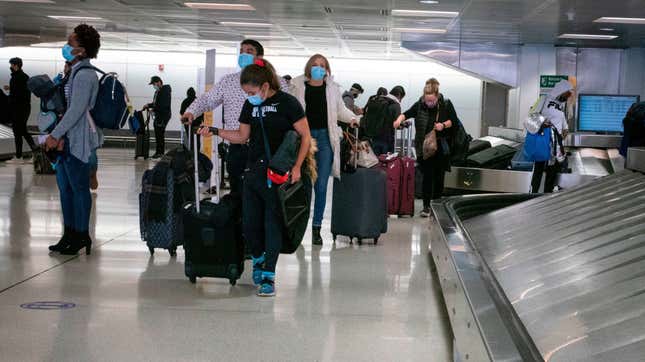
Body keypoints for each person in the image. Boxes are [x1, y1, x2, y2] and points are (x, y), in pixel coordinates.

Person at [197, 59, 312, 297]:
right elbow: (241, 136)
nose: (248, 96)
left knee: (271, 224)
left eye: (251, 92)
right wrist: (216, 131)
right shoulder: (250, 106)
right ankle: (258, 259)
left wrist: (298, 167)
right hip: (253, 171)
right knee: (250, 224)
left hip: (278, 173)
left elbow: (305, 136)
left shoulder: (288, 103)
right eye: (246, 92)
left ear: (265, 86)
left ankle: (268, 275)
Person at [183, 39, 288, 198]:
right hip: (237, 147)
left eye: (249, 51)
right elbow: (208, 99)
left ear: (259, 57)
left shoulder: (277, 82)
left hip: (266, 149)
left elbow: (288, 111)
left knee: (265, 196)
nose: (243, 54)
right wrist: (191, 111)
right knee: (237, 194)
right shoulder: (229, 81)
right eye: (241, 51)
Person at [288, 54, 359, 245]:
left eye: (322, 65)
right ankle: (300, 225)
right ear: (309, 67)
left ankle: (316, 228)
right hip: (305, 139)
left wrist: (353, 118)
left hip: (326, 138)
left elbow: (340, 110)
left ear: (327, 70)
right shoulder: (297, 87)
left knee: (321, 186)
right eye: (315, 65)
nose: (318, 68)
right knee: (305, 186)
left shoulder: (332, 89)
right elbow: (290, 110)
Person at [45, 24, 101, 255]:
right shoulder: (72, 72)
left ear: (83, 51)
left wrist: (56, 134)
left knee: (79, 189)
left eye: (71, 44)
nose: (67, 47)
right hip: (66, 139)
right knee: (65, 189)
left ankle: (81, 235)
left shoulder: (86, 75)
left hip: (78, 141)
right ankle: (68, 234)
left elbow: (77, 109)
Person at [394, 78, 456, 217]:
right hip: (424, 147)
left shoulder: (445, 104)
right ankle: (427, 207)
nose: (429, 103)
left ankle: (437, 205)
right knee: (427, 177)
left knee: (439, 177)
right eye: (427, 100)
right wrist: (399, 120)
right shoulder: (420, 105)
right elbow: (407, 113)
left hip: (440, 147)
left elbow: (454, 121)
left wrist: (443, 125)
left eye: (432, 101)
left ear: (437, 96)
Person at [530, 80, 573, 193]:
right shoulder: (544, 100)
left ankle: (547, 195)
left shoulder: (560, 106)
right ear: (561, 91)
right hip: (542, 141)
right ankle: (533, 194)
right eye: (567, 93)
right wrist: (543, 123)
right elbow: (532, 115)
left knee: (552, 171)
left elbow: (564, 125)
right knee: (538, 169)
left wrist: (565, 130)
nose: (568, 96)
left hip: (555, 146)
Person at [6, 57, 37, 160]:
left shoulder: (16, 78)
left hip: (18, 109)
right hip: (24, 108)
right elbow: (22, 91)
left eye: (12, 65)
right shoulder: (24, 77)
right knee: (22, 131)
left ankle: (21, 154)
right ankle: (32, 151)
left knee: (18, 131)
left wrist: (9, 97)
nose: (10, 67)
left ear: (16, 65)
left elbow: (17, 94)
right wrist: (10, 89)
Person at [365, 85, 406, 156]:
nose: (401, 100)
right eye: (401, 98)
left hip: (373, 137)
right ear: (399, 95)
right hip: (387, 139)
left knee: (375, 161)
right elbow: (396, 124)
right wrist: (402, 123)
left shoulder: (377, 100)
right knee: (387, 162)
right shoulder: (395, 105)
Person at [145, 76, 172, 158]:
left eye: (154, 83)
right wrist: (148, 105)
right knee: (158, 133)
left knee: (160, 133)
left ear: (159, 82)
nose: (153, 85)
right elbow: (155, 103)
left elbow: (164, 105)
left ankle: (160, 153)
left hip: (163, 115)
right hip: (159, 115)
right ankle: (159, 152)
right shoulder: (158, 92)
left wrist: (153, 110)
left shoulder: (165, 91)